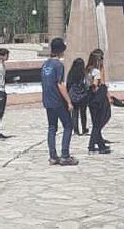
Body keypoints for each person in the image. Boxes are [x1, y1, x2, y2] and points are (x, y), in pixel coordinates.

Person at [42, 38, 78, 166]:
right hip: (58, 101)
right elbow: (60, 84)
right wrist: (69, 101)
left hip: (47, 100)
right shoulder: (59, 65)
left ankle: (52, 156)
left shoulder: (45, 64)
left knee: (52, 127)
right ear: (61, 50)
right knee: (68, 126)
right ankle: (65, 155)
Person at [86, 51, 110, 154]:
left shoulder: (86, 70)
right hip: (97, 99)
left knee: (96, 122)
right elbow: (95, 85)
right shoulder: (96, 71)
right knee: (99, 123)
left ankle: (101, 145)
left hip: (90, 99)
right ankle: (92, 145)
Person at [66, 58, 90, 136]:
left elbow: (68, 84)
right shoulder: (84, 74)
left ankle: (76, 130)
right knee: (83, 113)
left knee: (74, 113)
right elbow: (87, 84)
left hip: (73, 95)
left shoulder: (71, 73)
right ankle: (84, 129)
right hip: (83, 95)